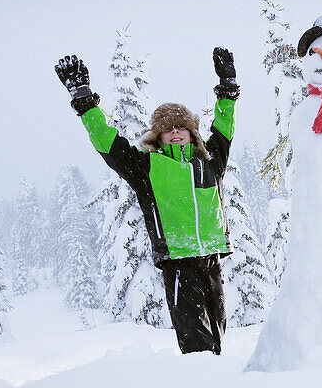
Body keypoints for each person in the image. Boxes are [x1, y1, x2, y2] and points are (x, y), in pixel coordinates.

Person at [55, 48, 239, 355]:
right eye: (168, 128)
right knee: (196, 343)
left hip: (212, 259)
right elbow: (108, 142)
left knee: (218, 336)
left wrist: (228, 87)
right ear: (159, 137)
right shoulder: (146, 167)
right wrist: (85, 102)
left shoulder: (209, 160)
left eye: (181, 126)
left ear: (191, 133)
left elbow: (224, 126)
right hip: (178, 263)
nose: (176, 131)